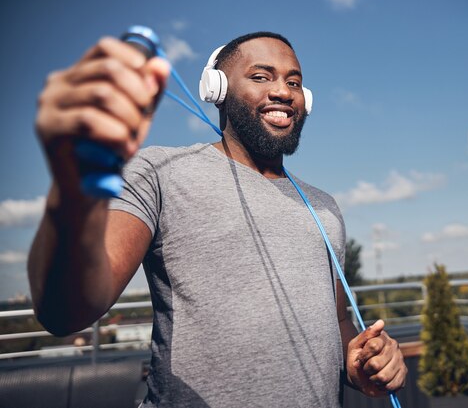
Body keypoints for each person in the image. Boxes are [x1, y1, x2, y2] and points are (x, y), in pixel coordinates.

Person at [29, 31, 407, 407]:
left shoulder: (324, 207)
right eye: (261, 77)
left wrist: (362, 362)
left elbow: (338, 324)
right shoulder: (160, 171)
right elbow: (65, 313)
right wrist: (69, 185)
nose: (283, 91)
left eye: (294, 82)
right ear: (217, 89)